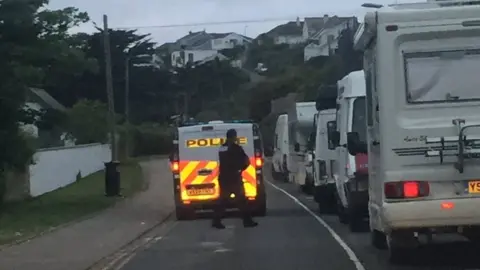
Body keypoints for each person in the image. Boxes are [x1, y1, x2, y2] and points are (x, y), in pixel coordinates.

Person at [212, 129, 258, 229]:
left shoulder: (222, 148)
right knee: (242, 200)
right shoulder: (237, 148)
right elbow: (246, 161)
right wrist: (240, 169)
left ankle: (216, 220)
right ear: (233, 137)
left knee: (223, 200)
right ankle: (247, 221)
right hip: (234, 177)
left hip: (224, 178)